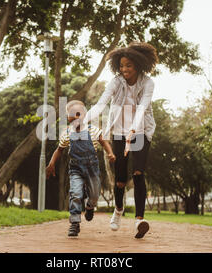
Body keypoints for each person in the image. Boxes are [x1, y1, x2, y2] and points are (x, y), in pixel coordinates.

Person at [83, 42, 158, 239]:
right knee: (121, 179)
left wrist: (133, 130)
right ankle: (118, 210)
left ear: (139, 66)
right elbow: (101, 103)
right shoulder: (116, 82)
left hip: (141, 131)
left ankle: (139, 220)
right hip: (118, 132)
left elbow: (142, 107)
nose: (124, 69)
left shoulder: (148, 83)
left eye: (129, 66)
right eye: (122, 65)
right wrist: (84, 119)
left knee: (139, 173)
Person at [46, 100, 116, 237]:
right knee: (75, 194)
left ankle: (90, 206)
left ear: (85, 115)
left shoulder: (93, 130)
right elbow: (59, 150)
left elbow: (103, 141)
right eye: (71, 115)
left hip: (92, 168)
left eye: (78, 114)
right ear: (68, 118)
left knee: (95, 194)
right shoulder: (67, 133)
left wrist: (110, 153)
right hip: (75, 168)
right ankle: (74, 223)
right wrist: (51, 163)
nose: (75, 117)